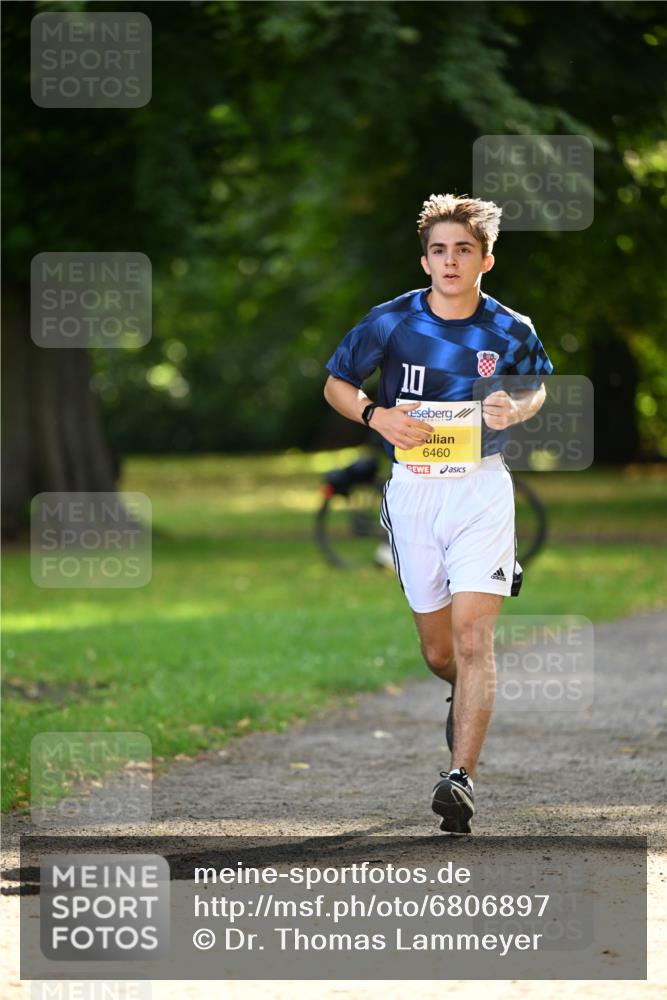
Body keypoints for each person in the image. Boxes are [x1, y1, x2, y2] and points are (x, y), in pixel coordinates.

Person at [323, 193, 553, 834]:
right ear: (425, 260)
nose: (451, 261)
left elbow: (536, 386)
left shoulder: (511, 329)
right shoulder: (391, 322)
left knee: (476, 640)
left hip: (481, 492)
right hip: (415, 493)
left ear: (486, 258)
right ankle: (461, 694)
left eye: (464, 250)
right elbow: (337, 382)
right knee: (439, 650)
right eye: (439, 251)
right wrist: (378, 414)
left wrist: (517, 408)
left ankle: (461, 779)